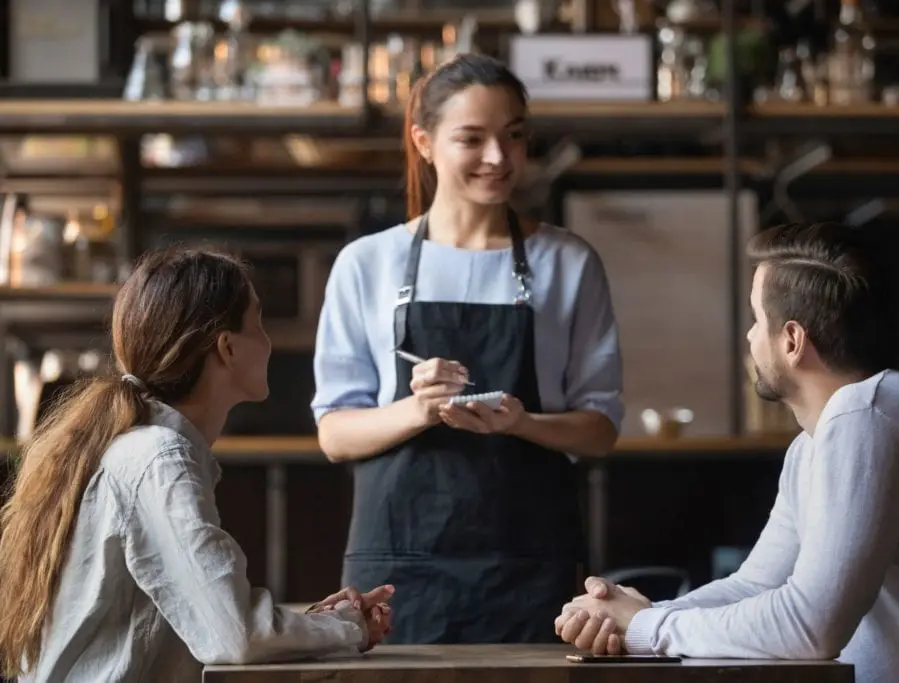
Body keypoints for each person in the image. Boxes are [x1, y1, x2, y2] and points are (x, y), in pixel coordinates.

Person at [555, 222, 899, 683]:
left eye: (757, 320)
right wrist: (633, 615)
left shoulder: (869, 417)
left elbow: (810, 626)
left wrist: (644, 628)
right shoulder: (819, 440)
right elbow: (757, 584)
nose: (749, 338)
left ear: (793, 341)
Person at [312, 53, 624, 644]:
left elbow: (600, 429)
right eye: (471, 139)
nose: (498, 159)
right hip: (399, 570)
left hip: (531, 564)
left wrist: (522, 422)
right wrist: (418, 409)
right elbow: (334, 433)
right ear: (424, 142)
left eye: (513, 137)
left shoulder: (570, 262)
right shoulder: (367, 264)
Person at [0, 247, 394, 683]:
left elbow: (215, 620)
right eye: (258, 324)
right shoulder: (160, 460)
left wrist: (321, 622)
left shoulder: (144, 449)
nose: (269, 342)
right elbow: (235, 635)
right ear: (227, 347)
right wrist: (347, 629)